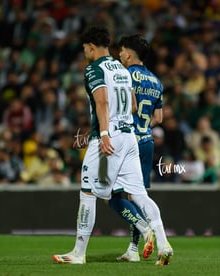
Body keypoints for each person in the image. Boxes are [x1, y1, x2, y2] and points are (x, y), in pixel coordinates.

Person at [52, 26, 172, 266]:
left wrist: (105, 132)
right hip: (131, 138)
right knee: (139, 194)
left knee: (88, 191)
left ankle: (78, 253)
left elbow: (102, 100)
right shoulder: (122, 69)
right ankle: (163, 242)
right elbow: (135, 106)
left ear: (90, 47)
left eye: (85, 48)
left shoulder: (94, 69)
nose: (85, 52)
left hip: (110, 137)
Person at [110, 34, 172, 263]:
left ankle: (144, 230)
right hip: (146, 141)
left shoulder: (124, 74)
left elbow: (128, 106)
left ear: (128, 53)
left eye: (122, 50)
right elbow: (159, 117)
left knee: (113, 195)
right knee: (138, 196)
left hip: (127, 141)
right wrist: (143, 126)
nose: (119, 54)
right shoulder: (156, 81)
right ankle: (134, 249)